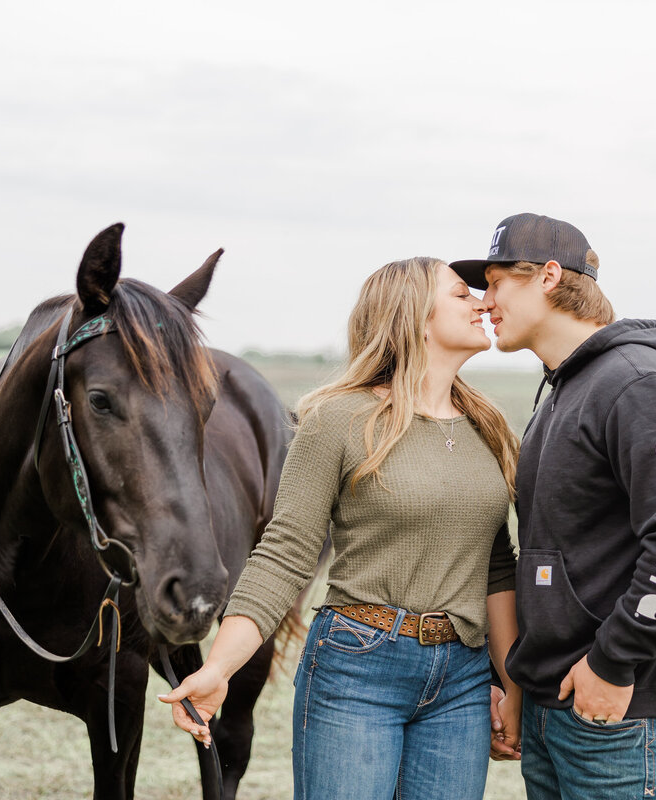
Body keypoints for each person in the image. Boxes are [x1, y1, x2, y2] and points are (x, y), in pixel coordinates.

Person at [159, 257, 521, 800]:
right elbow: (284, 554)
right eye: (460, 294)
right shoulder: (337, 420)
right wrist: (219, 668)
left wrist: (510, 687)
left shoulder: (488, 426)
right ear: (415, 316)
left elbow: (495, 568)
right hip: (358, 669)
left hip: (462, 682)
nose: (481, 303)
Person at [449, 213, 656, 800]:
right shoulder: (566, 389)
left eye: (498, 281)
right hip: (560, 702)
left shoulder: (640, 383)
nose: (485, 300)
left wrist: (613, 662)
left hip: (623, 707)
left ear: (549, 276)